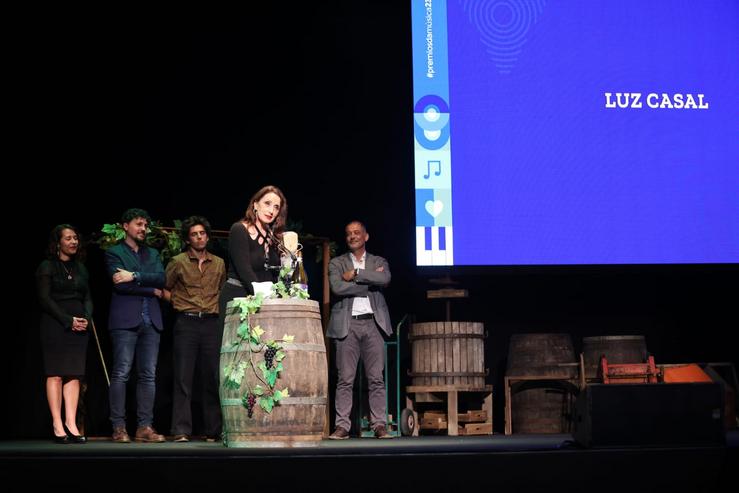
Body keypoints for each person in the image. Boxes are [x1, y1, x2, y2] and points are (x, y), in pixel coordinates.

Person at [327, 220, 394, 439]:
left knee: (376, 379)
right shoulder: (336, 263)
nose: (352, 236)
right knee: (345, 379)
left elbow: (384, 278)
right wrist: (369, 279)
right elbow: (337, 287)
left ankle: (379, 425)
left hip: (374, 324)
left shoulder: (378, 260)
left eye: (357, 233)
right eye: (348, 234)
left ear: (366, 236)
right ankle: (342, 426)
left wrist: (355, 274)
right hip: (348, 325)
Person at [105, 208, 166, 443]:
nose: (143, 229)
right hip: (125, 320)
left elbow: (162, 278)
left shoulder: (152, 254)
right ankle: (119, 427)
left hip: (151, 320)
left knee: (148, 376)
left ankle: (144, 427)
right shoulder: (114, 253)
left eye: (145, 225)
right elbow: (120, 285)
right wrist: (150, 289)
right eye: (138, 224)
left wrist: (134, 276)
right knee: (121, 373)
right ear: (125, 226)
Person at [163, 216, 226, 443]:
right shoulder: (178, 261)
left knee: (211, 376)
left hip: (210, 323)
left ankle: (213, 430)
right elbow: (165, 288)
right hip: (186, 323)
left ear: (207, 236)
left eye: (202, 233)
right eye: (194, 234)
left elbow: (222, 291)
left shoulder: (218, 263)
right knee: (183, 377)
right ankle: (181, 429)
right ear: (188, 239)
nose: (199, 237)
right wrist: (178, 304)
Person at [36, 224, 92, 444]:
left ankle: (71, 423)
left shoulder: (81, 268)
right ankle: (57, 424)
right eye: (68, 238)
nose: (73, 242)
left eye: (75, 238)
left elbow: (87, 296)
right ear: (58, 243)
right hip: (56, 324)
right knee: (56, 373)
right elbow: (44, 299)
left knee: (74, 374)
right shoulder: (47, 266)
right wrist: (68, 321)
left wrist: (86, 318)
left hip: (79, 326)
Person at [218, 185, 288, 318]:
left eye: (276, 207)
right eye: (267, 203)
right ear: (255, 205)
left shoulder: (274, 238)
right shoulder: (239, 229)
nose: (271, 210)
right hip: (238, 298)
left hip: (263, 302)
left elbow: (276, 274)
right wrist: (266, 297)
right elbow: (244, 270)